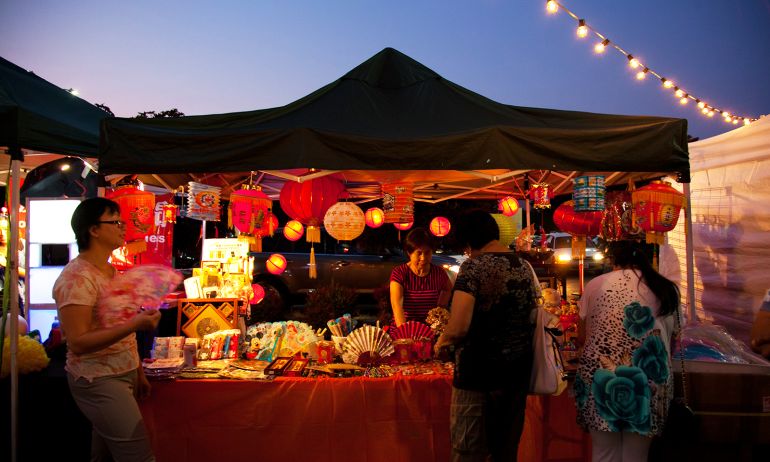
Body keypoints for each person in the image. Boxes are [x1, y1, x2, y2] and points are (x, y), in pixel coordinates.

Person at [52, 197, 160, 462]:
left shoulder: (112, 272)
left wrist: (137, 370)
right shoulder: (76, 278)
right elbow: (78, 341)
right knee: (137, 454)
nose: (124, 227)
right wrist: (135, 323)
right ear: (94, 229)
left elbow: (121, 327)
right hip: (97, 378)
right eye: (116, 221)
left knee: (104, 455)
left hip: (124, 372)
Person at [433, 210, 540, 461]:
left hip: (478, 375)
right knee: (504, 451)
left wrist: (442, 342)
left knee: (468, 450)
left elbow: (459, 325)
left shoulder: (474, 267)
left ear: (470, 240)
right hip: (516, 375)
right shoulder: (523, 266)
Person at [574, 240, 680, 462]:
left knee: (604, 454)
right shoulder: (665, 288)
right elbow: (674, 337)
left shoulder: (596, 285)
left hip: (600, 378)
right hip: (649, 379)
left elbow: (582, 337)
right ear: (651, 257)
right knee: (637, 456)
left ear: (613, 259)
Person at [389, 227, 452, 327]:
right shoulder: (400, 273)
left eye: (427, 253)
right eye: (419, 253)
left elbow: (447, 289)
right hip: (405, 327)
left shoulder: (439, 273)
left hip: (430, 329)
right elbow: (397, 307)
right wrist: (404, 332)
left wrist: (440, 308)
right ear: (409, 253)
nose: (423, 258)